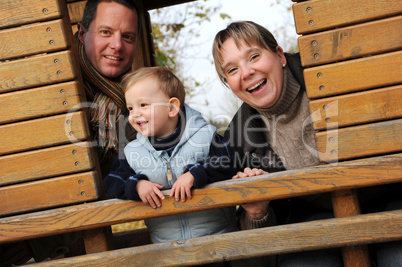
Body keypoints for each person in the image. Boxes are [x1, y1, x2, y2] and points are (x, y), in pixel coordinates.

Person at [212, 21, 402, 267]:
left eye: (254, 56)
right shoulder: (239, 141)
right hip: (313, 217)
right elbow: (256, 257)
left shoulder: (331, 75)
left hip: (389, 195)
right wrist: (258, 213)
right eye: (232, 70)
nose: (246, 72)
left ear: (280, 55)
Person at [0, 0, 140, 264]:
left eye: (128, 36)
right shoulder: (35, 79)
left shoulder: (140, 109)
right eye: (106, 32)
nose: (117, 45)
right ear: (82, 32)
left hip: (51, 251)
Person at [104, 66, 237, 248]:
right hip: (168, 248)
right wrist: (137, 184)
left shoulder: (206, 137)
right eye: (130, 108)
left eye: (143, 105)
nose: (134, 114)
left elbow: (230, 163)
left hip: (219, 241)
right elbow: (112, 181)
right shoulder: (132, 152)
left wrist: (194, 174)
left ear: (172, 107)